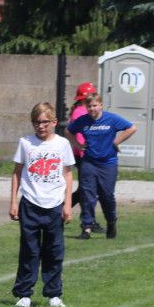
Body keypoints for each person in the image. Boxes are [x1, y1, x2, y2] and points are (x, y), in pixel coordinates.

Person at [10, 102, 75, 307]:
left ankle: (53, 293)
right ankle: (24, 294)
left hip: (55, 204)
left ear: (54, 122)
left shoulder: (62, 144)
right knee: (29, 251)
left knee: (54, 251)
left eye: (45, 122)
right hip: (30, 202)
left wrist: (68, 204)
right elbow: (17, 172)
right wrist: (13, 201)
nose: (41, 126)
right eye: (37, 122)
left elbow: (67, 174)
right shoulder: (25, 143)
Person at [65, 92, 136, 239]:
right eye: (89, 106)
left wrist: (116, 142)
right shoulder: (83, 120)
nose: (92, 109)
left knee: (106, 196)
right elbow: (68, 131)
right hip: (89, 163)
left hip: (108, 164)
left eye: (95, 106)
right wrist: (78, 145)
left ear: (101, 105)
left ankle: (111, 222)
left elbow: (131, 128)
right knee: (87, 195)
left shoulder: (111, 119)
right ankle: (86, 229)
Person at [68, 82, 95, 215]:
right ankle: (62, 210)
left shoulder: (83, 111)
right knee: (85, 190)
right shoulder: (79, 113)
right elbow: (79, 137)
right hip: (82, 155)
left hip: (85, 155)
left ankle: (90, 221)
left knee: (86, 189)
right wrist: (85, 154)